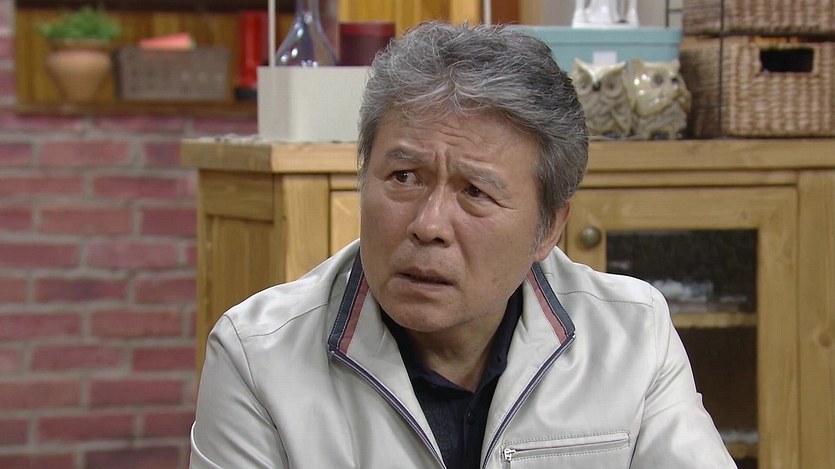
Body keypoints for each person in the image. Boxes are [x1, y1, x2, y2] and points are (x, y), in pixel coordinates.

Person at [190, 21, 736, 469]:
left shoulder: (631, 337)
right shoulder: (259, 358)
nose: (429, 225)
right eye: (404, 177)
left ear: (548, 228)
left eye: (475, 192)